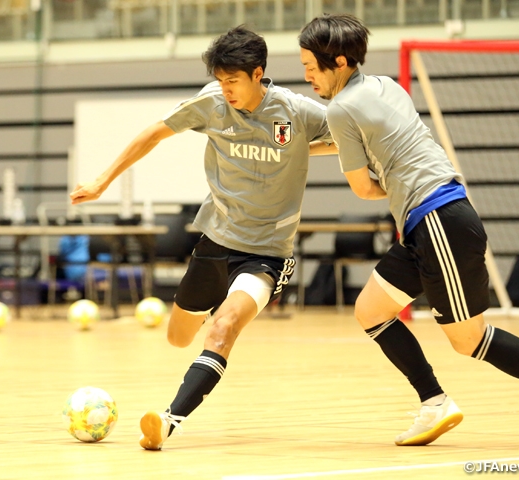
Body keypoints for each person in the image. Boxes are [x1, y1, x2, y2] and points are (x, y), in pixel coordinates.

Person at [298, 14, 519, 446]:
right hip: (434, 220)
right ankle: (434, 401)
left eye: (310, 67)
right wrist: (300, 149)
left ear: (338, 61)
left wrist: (390, 187)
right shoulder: (385, 87)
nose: (306, 77)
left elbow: (361, 186)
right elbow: (354, 139)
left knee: (468, 340)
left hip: (437, 220)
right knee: (371, 311)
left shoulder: (339, 109)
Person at [70, 26, 333, 450]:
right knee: (178, 337)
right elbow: (153, 133)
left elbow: (351, 138)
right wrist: (102, 181)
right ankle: (213, 333)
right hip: (217, 239)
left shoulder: (297, 112)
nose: (225, 89)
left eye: (233, 81)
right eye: (221, 80)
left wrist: (303, 150)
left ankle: (168, 422)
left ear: (258, 74)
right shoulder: (211, 103)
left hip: (266, 251)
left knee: (223, 329)